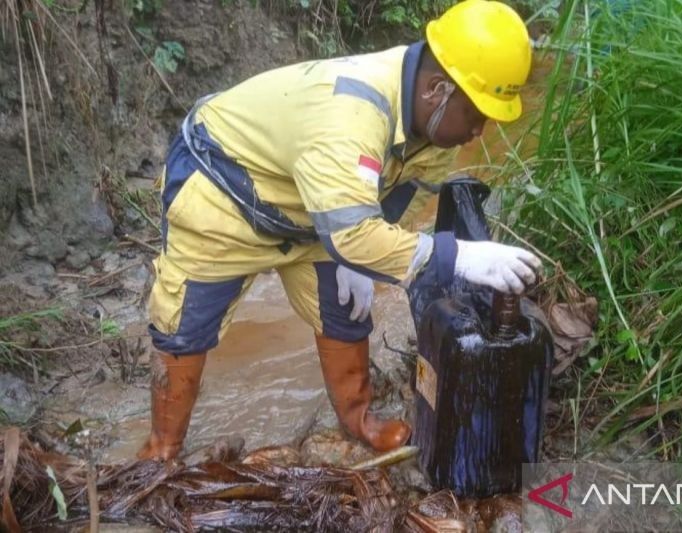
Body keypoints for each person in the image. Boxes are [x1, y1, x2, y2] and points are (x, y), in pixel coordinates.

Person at [137, 0, 541, 461]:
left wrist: (370, 255)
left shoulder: (434, 129)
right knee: (185, 325)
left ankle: (358, 419)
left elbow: (396, 199)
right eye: (475, 115)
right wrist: (460, 256)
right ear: (437, 89)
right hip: (224, 189)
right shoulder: (351, 115)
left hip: (317, 207)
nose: (480, 130)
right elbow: (351, 236)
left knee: (345, 309)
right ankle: (163, 448)